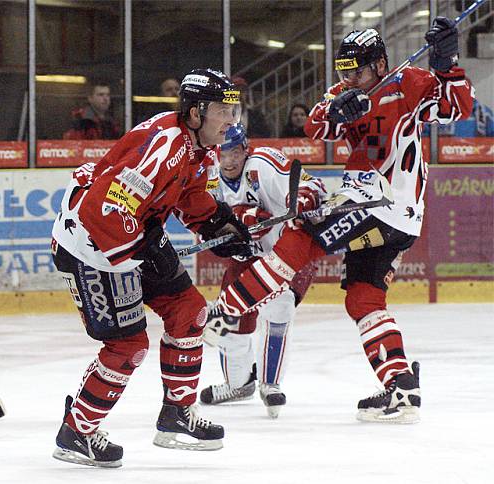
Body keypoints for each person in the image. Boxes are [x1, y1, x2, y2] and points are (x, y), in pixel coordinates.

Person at [216, 22, 474, 424]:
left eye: (356, 71)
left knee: (301, 235)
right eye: (343, 71)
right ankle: (400, 387)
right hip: (387, 216)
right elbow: (314, 126)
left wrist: (447, 63)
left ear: (381, 64)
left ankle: (231, 306)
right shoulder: (345, 91)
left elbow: (458, 108)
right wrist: (336, 108)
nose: (347, 78)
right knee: (363, 299)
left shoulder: (408, 83)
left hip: (379, 201)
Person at [51, 68, 251, 468]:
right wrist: (143, 248)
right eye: (222, 111)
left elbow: (191, 196)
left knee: (189, 312)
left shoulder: (198, 147)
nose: (232, 120)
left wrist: (220, 224)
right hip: (91, 247)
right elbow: (105, 211)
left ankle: (176, 414)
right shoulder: (163, 145)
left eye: (234, 110)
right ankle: (77, 432)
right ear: (195, 113)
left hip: (133, 235)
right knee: (129, 345)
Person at [197, 124, 324, 418]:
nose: (228, 161)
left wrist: (302, 201)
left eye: (234, 152)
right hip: (247, 258)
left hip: (286, 254)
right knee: (225, 318)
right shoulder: (207, 176)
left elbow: (312, 186)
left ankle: (271, 383)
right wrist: (226, 236)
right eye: (222, 153)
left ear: (245, 149)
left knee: (278, 307)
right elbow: (201, 225)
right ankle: (239, 384)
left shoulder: (264, 163)